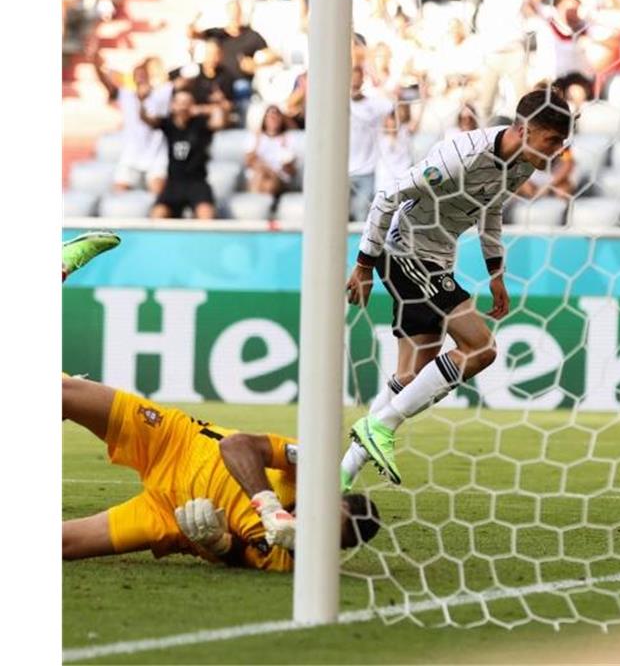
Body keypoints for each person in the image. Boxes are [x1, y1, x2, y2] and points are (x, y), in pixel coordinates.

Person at [340, 90, 573, 488]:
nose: (556, 152)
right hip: (406, 252)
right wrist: (363, 266)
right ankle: (382, 426)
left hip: (437, 258)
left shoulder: (523, 165)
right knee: (481, 348)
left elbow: (492, 208)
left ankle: (339, 474)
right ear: (523, 129)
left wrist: (495, 270)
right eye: (552, 141)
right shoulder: (459, 156)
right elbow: (385, 198)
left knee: (411, 377)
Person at [61, 374, 381, 570]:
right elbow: (236, 446)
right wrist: (269, 508)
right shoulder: (312, 469)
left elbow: (242, 555)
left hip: (170, 516)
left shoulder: (286, 563)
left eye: (326, 535)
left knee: (63, 544)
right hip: (174, 442)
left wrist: (218, 545)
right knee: (64, 392)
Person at [88, 41, 172, 194]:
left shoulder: (161, 95)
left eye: (142, 75)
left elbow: (154, 122)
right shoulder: (126, 95)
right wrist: (94, 62)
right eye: (136, 76)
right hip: (131, 157)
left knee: (159, 194)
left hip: (156, 156)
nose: (139, 79)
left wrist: (142, 102)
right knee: (118, 195)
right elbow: (107, 84)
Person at [141, 90, 227, 219]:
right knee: (157, 215)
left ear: (193, 105)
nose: (183, 107)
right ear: (173, 105)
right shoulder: (168, 123)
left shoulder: (200, 123)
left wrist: (213, 106)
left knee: (206, 216)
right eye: (180, 103)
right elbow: (147, 119)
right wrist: (142, 101)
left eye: (187, 103)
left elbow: (218, 122)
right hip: (174, 183)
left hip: (197, 182)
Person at [348, 65, 394, 221]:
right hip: (341, 172)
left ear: (362, 81)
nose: (353, 84)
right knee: (337, 216)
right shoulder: (338, 105)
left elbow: (394, 107)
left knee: (363, 214)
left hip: (366, 170)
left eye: (356, 79)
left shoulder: (375, 104)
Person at [244, 105, 298, 197]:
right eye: (270, 117)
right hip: (259, 174)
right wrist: (257, 143)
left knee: (269, 183)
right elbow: (248, 161)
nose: (273, 119)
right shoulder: (255, 138)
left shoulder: (289, 139)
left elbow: (291, 170)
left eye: (276, 117)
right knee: (261, 177)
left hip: (278, 177)